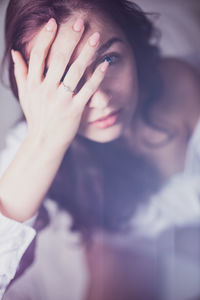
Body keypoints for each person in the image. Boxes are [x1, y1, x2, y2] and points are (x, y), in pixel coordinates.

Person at [0, 0, 200, 299]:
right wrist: (45, 142)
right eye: (65, 78)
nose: (101, 99)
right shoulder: (29, 148)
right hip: (117, 240)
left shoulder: (188, 86)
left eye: (109, 60)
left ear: (133, 47)